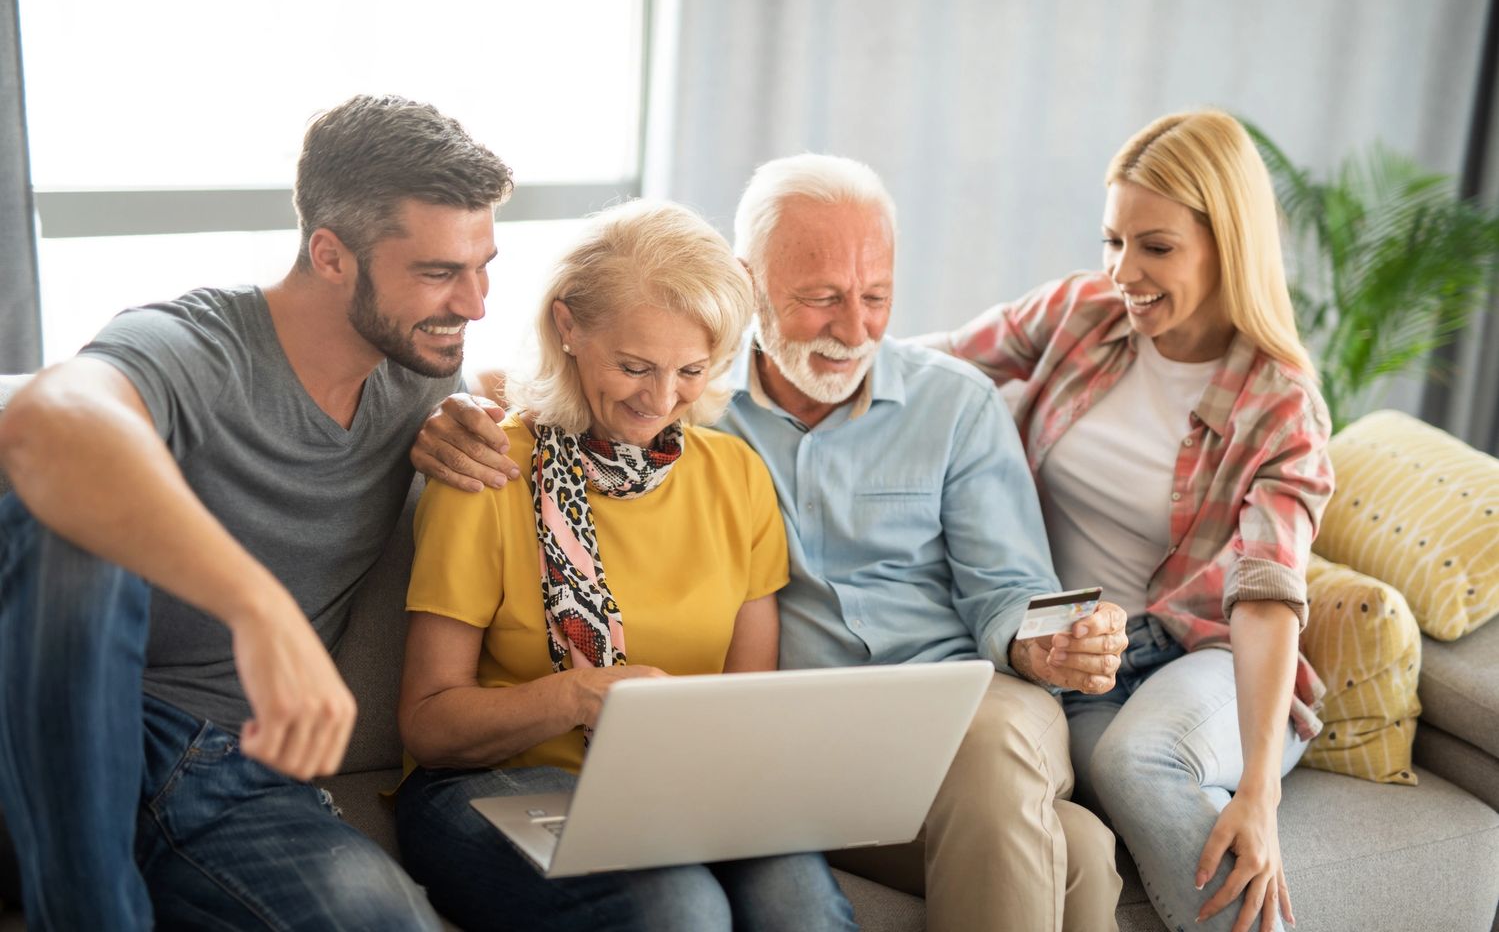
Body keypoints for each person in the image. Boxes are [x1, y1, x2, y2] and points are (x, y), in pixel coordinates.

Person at [415, 156, 1130, 932]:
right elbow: (555, 385)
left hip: (931, 712)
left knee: (1007, 778)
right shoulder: (598, 440)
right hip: (740, 754)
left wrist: (1048, 641)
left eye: (876, 297)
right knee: (1080, 850)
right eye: (821, 298)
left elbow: (1007, 588)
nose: (852, 329)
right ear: (752, 285)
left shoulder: (911, 414)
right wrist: (447, 406)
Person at [0, 94, 514, 930]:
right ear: (331, 255)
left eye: (484, 263)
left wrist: (452, 428)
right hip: (63, 735)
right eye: (438, 273)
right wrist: (257, 607)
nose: (475, 302)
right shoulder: (197, 345)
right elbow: (43, 421)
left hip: (235, 778)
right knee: (56, 532)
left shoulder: (420, 371)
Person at [393, 198, 856, 932]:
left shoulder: (735, 474)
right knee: (679, 906)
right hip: (490, 784)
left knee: (798, 904)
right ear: (568, 326)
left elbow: (744, 703)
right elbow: (427, 725)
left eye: (691, 370)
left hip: (679, 787)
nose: (661, 400)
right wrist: (576, 696)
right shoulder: (487, 469)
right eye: (635, 366)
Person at [922, 110, 1335, 932]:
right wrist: (789, 350)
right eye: (1112, 240)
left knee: (1136, 761)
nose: (1122, 271)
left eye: (1155, 247)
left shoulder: (1279, 403)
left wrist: (1257, 791)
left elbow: (1264, 597)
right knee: (1068, 780)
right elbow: (936, 365)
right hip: (1076, 650)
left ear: (1227, 244)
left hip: (1203, 653)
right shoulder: (1082, 313)